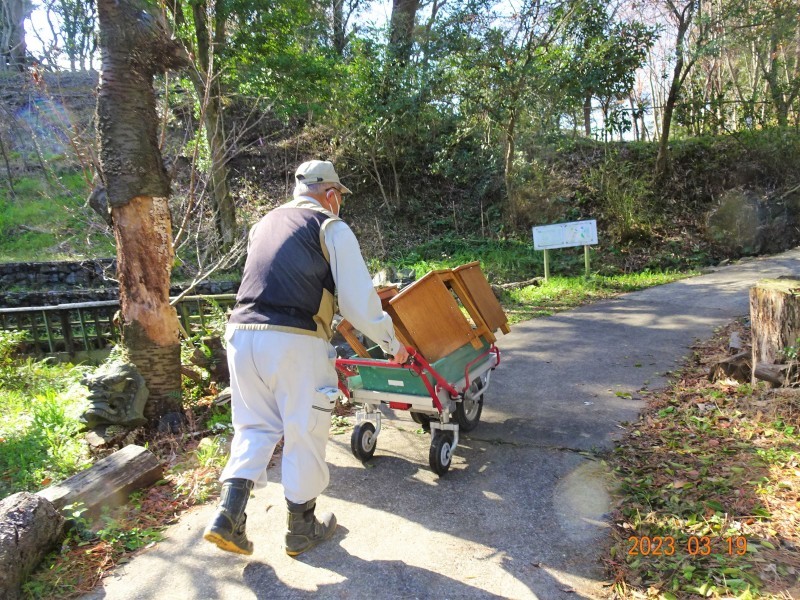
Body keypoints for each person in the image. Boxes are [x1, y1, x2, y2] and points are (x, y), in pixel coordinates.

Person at [203, 160, 409, 557]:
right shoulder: (330, 226)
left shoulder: (262, 225)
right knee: (304, 429)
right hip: (294, 339)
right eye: (340, 198)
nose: (340, 205)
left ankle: (228, 517)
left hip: (241, 335)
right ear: (330, 194)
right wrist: (391, 344)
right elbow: (358, 304)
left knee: (253, 428)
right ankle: (302, 529)